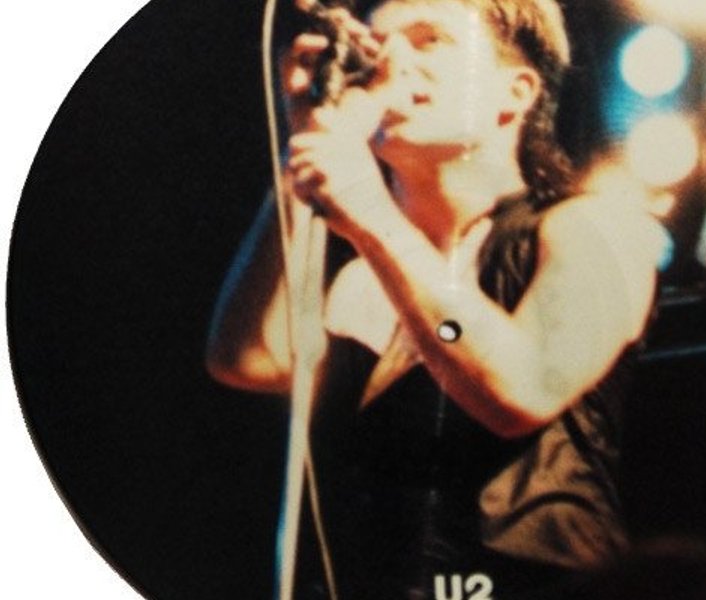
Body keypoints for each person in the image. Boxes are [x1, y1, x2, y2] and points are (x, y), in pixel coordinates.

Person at [207, 0, 665, 597]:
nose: (390, 61)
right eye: (380, 42)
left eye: (430, 41)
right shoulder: (363, 271)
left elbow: (523, 387)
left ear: (515, 94)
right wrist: (306, 144)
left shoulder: (594, 226)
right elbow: (248, 358)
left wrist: (367, 207)